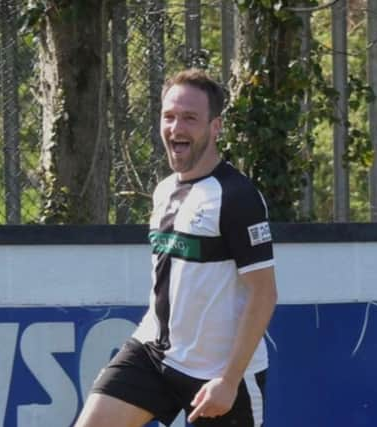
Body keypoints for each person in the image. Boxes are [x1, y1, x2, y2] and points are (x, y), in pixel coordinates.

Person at [75, 69, 278, 427]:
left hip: (218, 374)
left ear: (215, 127)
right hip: (153, 355)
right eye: (169, 117)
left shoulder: (237, 197)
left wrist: (229, 382)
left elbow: (264, 293)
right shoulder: (164, 189)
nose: (176, 128)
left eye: (190, 118)